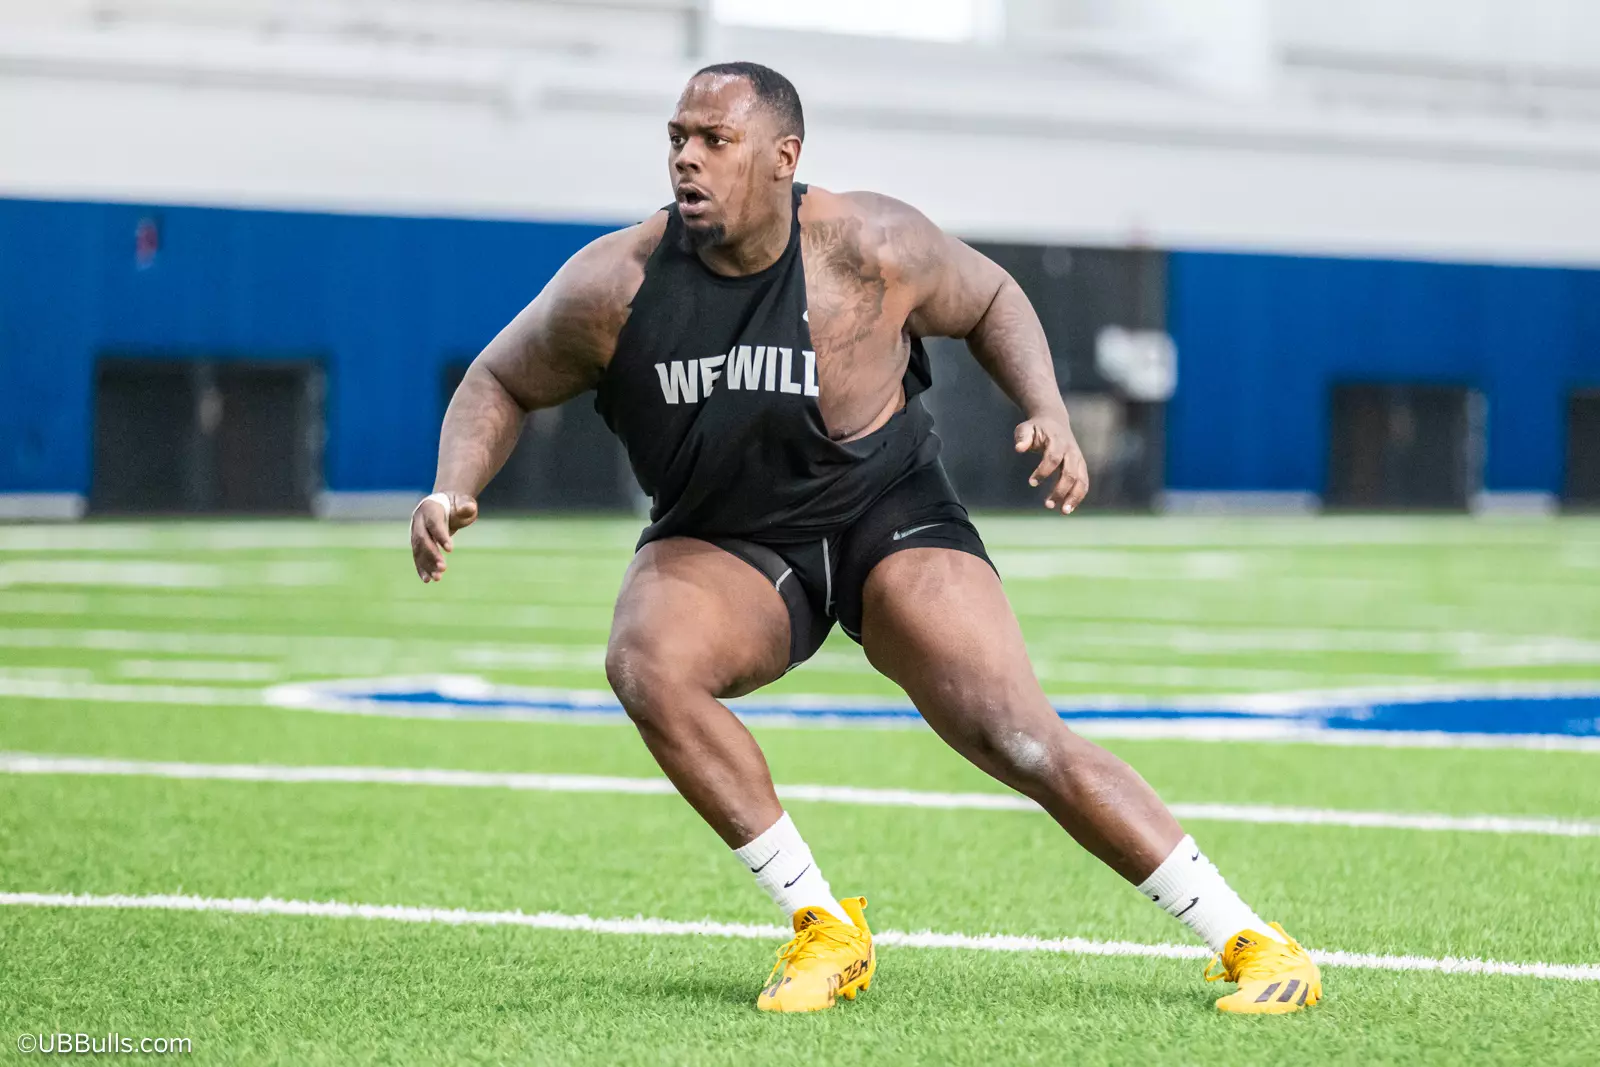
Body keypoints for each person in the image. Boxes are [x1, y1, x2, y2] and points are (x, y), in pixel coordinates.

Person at [411, 61, 1321, 1016]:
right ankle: (822, 925)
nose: (686, 158)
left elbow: (992, 297)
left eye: (714, 141)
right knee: (645, 661)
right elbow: (499, 378)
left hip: (887, 509)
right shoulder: (617, 284)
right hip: (729, 536)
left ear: (782, 158)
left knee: (1016, 731)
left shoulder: (867, 244)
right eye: (677, 137)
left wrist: (1047, 408)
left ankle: (1252, 940)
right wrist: (450, 486)